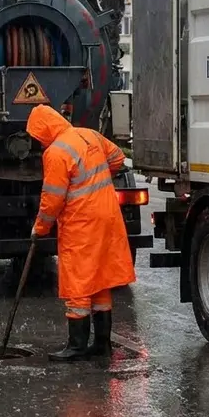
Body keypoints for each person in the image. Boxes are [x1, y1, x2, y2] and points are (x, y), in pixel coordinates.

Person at [26, 104, 135, 361]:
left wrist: (39, 228)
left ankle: (76, 345)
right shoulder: (89, 134)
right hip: (107, 216)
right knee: (99, 278)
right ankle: (102, 344)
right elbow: (118, 157)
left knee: (78, 281)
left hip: (82, 223)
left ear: (43, 130)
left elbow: (52, 199)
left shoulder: (56, 152)